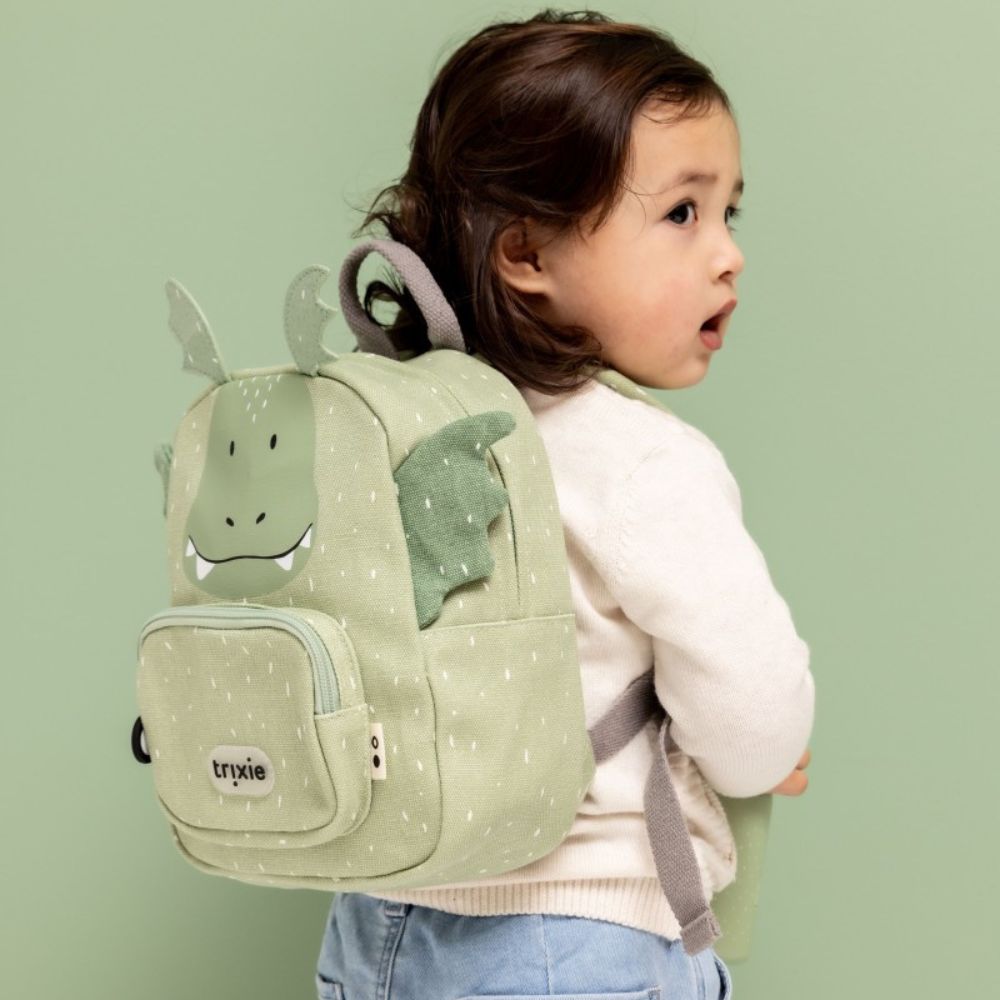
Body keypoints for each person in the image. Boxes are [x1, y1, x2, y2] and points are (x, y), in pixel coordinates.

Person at [316, 9, 815, 999]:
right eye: (682, 213)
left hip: (371, 925)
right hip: (574, 941)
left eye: (729, 213)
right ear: (527, 253)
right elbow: (754, 718)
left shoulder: (382, 427)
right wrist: (762, 755)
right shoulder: (642, 462)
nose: (727, 253)